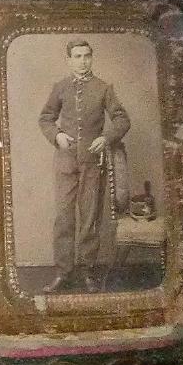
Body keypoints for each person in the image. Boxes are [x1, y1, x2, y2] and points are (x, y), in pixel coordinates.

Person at [38, 39, 130, 294]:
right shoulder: (60, 87)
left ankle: (88, 271)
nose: (82, 61)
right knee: (63, 218)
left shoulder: (103, 88)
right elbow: (46, 118)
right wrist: (57, 135)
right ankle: (63, 272)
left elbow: (122, 119)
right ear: (69, 60)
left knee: (90, 218)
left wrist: (106, 137)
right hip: (65, 163)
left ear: (91, 58)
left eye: (86, 56)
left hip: (92, 164)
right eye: (77, 56)